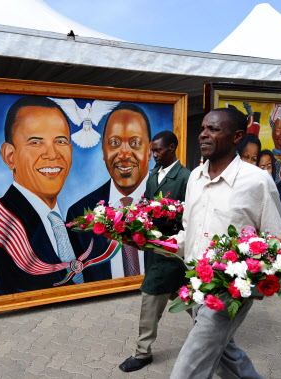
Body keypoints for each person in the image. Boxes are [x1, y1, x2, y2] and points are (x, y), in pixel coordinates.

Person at [168, 108, 281, 379]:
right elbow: (189, 229)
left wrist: (257, 283)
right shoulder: (195, 178)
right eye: (203, 129)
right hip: (196, 284)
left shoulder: (257, 181)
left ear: (237, 137)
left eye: (214, 129)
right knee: (224, 355)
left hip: (228, 291)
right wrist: (157, 243)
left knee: (189, 367)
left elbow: (275, 241)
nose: (203, 135)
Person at [0, 96, 91, 300]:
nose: (52, 154)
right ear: (10, 156)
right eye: (35, 142)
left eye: (60, 141)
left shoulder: (79, 224)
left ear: (70, 150)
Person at [119, 130, 190, 372]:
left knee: (151, 295)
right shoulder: (153, 175)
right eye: (152, 151)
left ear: (172, 148)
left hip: (172, 250)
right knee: (191, 299)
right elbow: (147, 202)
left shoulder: (186, 178)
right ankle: (217, 337)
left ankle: (142, 353)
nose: (154, 155)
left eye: (158, 150)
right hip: (153, 249)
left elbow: (191, 215)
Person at [67, 103, 153, 281]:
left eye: (135, 143)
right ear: (104, 150)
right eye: (114, 143)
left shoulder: (173, 205)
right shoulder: (78, 213)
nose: (123, 154)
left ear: (150, 150)